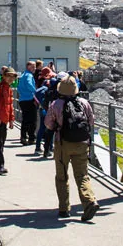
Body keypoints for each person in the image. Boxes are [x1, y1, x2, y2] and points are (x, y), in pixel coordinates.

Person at [44, 73, 98, 221]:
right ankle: (89, 202)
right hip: (82, 143)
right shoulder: (84, 102)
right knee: (82, 175)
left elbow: (48, 123)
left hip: (63, 144)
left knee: (62, 176)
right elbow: (91, 121)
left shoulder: (55, 104)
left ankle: (64, 209)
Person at [33, 68, 54, 157]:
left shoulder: (39, 89)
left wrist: (39, 106)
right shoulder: (49, 90)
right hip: (48, 111)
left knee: (41, 128)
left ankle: (37, 147)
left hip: (42, 109)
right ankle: (49, 147)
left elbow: (34, 98)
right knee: (50, 129)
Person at [17, 61, 38, 145]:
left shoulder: (22, 75)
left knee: (25, 119)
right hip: (29, 99)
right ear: (28, 66)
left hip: (22, 99)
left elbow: (18, 88)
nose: (35, 68)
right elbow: (29, 84)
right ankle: (31, 138)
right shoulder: (29, 75)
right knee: (33, 120)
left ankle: (23, 137)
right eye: (33, 66)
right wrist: (35, 91)